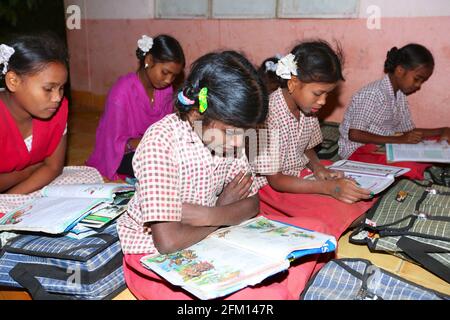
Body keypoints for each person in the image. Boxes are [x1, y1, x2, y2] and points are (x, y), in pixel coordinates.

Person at [117, 50, 329, 300]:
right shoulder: (161, 141)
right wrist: (221, 213)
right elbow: (169, 241)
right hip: (153, 258)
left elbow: (252, 204)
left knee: (318, 233)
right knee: (264, 297)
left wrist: (208, 214)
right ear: (199, 111)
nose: (240, 142)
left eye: (245, 132)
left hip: (204, 234)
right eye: (231, 132)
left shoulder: (228, 137)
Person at [253, 40, 375, 240]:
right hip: (271, 188)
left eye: (328, 94)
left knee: (353, 188)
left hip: (298, 173)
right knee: (347, 214)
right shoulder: (265, 116)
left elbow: (307, 147)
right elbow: (276, 180)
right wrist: (327, 188)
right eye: (318, 93)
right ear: (292, 83)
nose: (323, 101)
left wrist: (318, 168)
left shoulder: (307, 109)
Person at [0, 32, 102, 198]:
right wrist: (27, 172)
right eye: (48, 89)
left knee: (83, 184)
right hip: (26, 180)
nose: (57, 98)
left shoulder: (57, 110)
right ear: (13, 81)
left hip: (17, 190)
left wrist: (12, 199)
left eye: (61, 88)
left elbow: (53, 168)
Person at [338, 44, 450, 179]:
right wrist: (398, 139)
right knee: (411, 168)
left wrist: (442, 130)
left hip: (386, 145)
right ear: (400, 71)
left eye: (422, 81)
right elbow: (354, 134)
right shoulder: (372, 94)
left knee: (440, 144)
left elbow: (409, 132)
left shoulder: (400, 95)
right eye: (417, 79)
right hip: (358, 151)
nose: (418, 85)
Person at [86, 34, 185, 180]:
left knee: (187, 155)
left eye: (174, 76)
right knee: (160, 166)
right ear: (149, 60)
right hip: (121, 155)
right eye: (165, 72)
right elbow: (114, 145)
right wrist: (150, 141)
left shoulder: (165, 90)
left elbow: (165, 128)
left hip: (154, 148)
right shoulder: (121, 93)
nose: (168, 80)